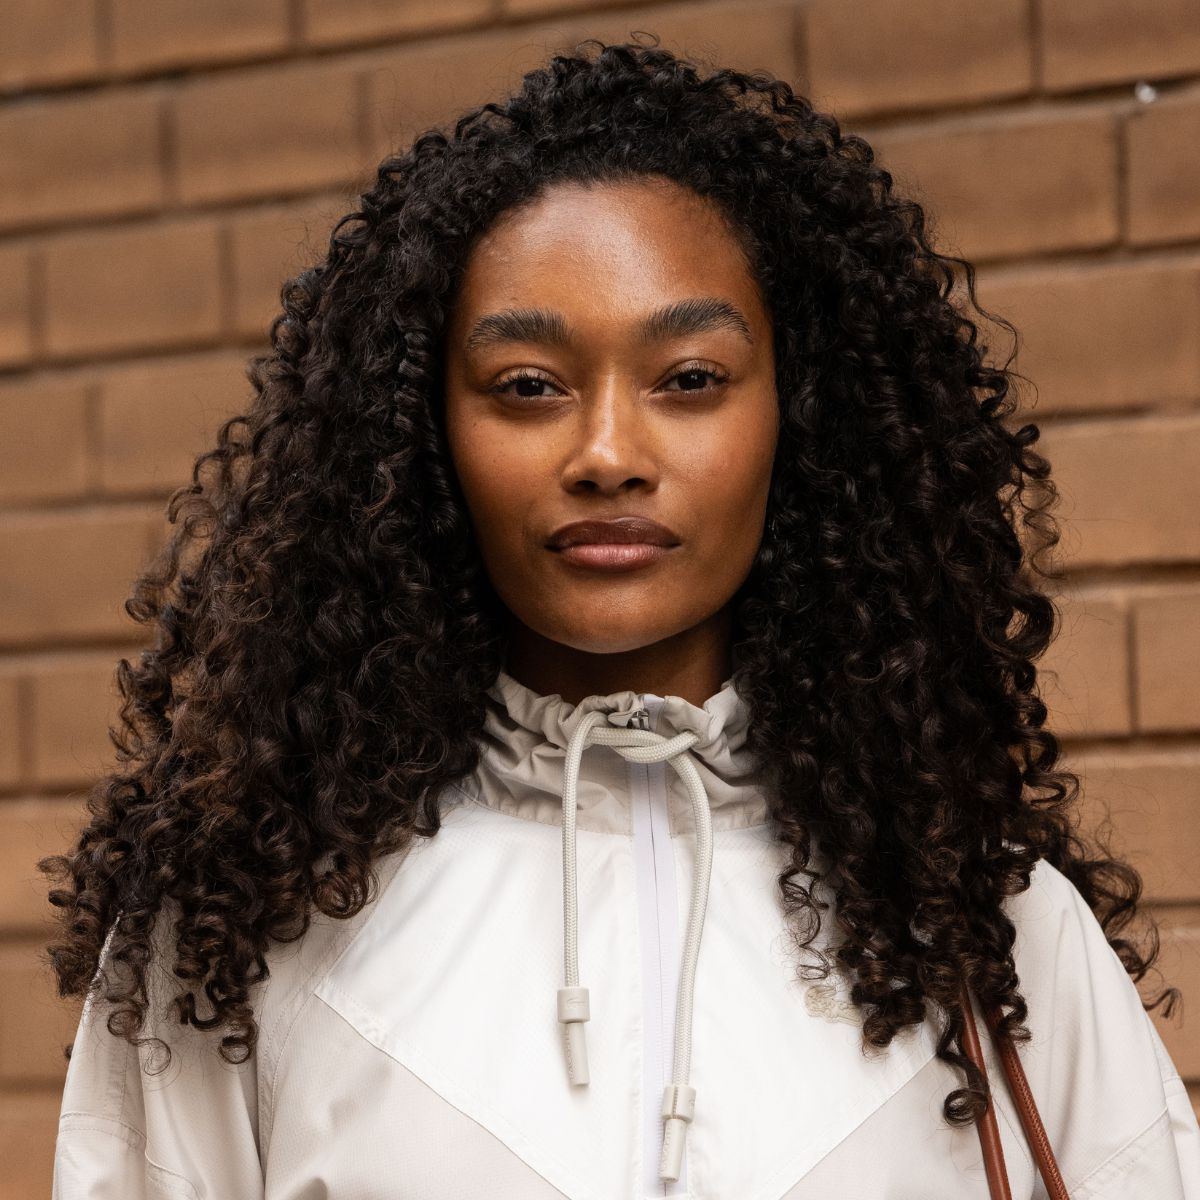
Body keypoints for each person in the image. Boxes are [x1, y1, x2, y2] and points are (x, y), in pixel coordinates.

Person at [42, 35, 1199, 1199]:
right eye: (527, 386)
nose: (606, 453)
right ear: (423, 432)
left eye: (689, 378)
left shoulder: (988, 924)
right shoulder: (241, 925)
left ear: (800, 416)